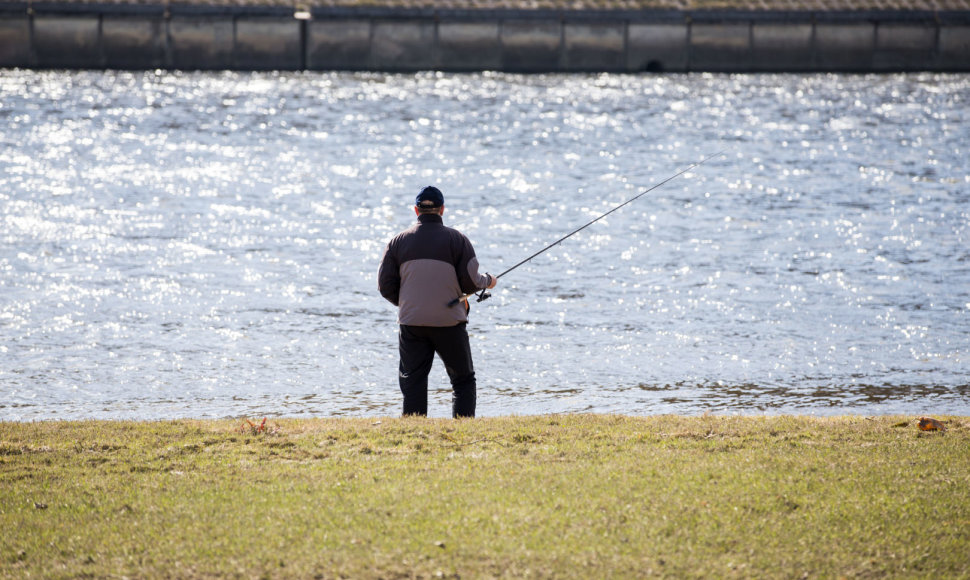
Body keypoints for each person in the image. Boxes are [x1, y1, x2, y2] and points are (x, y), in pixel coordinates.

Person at [377, 186, 498, 418]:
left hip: (412, 322)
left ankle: (414, 431)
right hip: (450, 322)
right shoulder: (458, 240)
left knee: (412, 379)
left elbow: (385, 287)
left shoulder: (396, 242)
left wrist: (408, 304)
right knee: (463, 379)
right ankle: (463, 428)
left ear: (416, 210)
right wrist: (489, 281)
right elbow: (472, 282)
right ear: (442, 210)